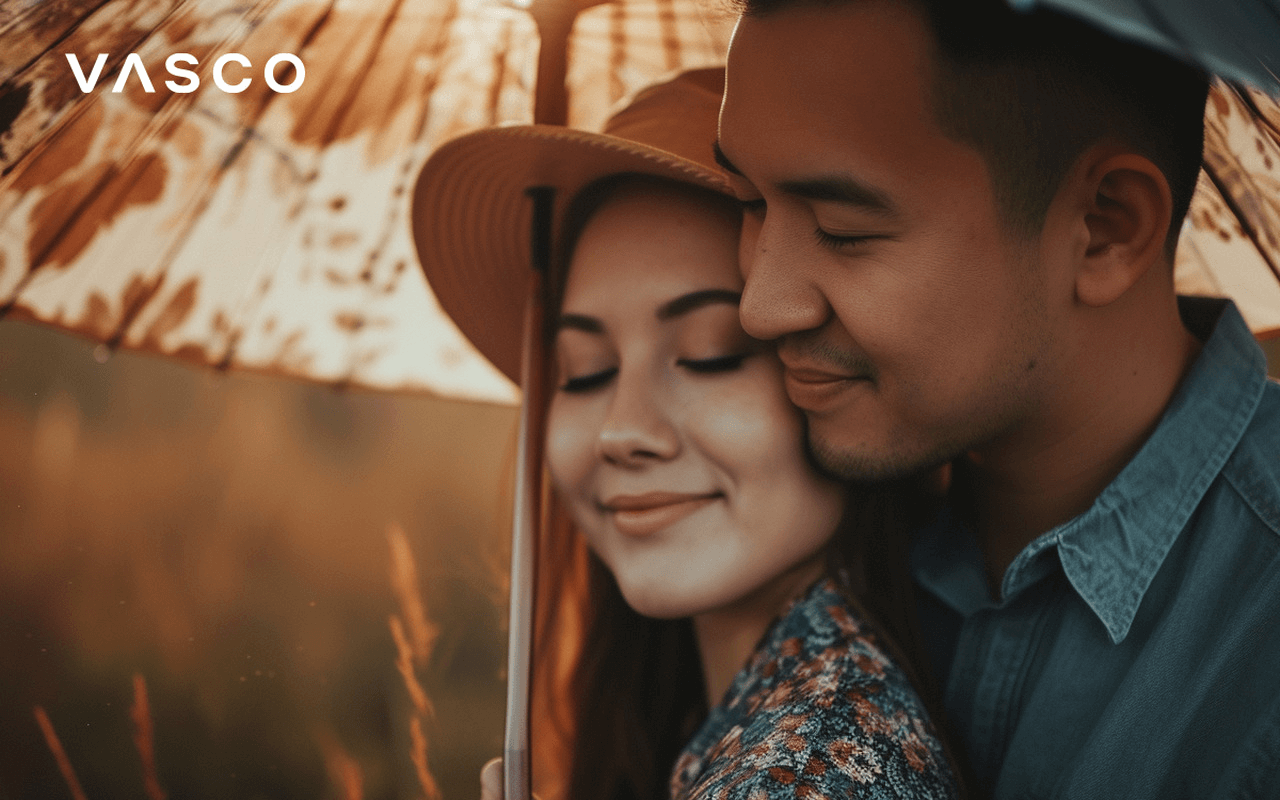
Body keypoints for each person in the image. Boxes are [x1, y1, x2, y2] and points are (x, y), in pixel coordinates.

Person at [715, 0, 1280, 796]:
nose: (759, 305)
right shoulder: (793, 522)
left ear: (1106, 226)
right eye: (746, 202)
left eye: (844, 230)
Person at [412, 69, 960, 799]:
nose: (622, 431)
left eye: (709, 354)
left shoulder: (804, 772)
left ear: (836, 382)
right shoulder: (719, 727)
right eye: (584, 371)